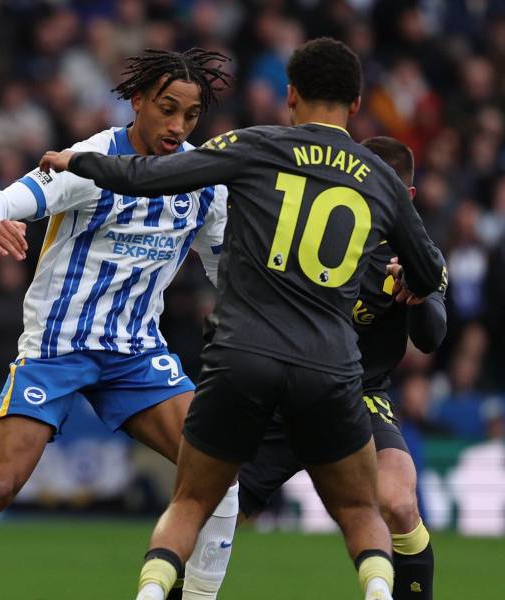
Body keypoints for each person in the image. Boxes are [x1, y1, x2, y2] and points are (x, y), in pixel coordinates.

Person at [39, 38, 446, 600]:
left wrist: (79, 162)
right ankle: (377, 591)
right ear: (356, 104)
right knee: (360, 512)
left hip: (245, 359)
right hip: (329, 370)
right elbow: (432, 275)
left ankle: (151, 592)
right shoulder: (378, 178)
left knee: (192, 503)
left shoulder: (254, 145)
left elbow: (152, 175)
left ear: (290, 94)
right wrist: (416, 286)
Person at [0, 48, 239, 600]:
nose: (178, 126)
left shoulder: (204, 183)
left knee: (218, 474)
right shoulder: (87, 161)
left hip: (136, 352)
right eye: (167, 109)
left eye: (190, 115)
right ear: (137, 102)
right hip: (57, 347)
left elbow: (229, 271)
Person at [236, 136, 447, 600]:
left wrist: (414, 292)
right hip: (287, 391)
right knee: (215, 512)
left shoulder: (416, 255)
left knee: (399, 504)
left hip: (360, 396)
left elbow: (431, 337)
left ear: (407, 198)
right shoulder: (311, 229)